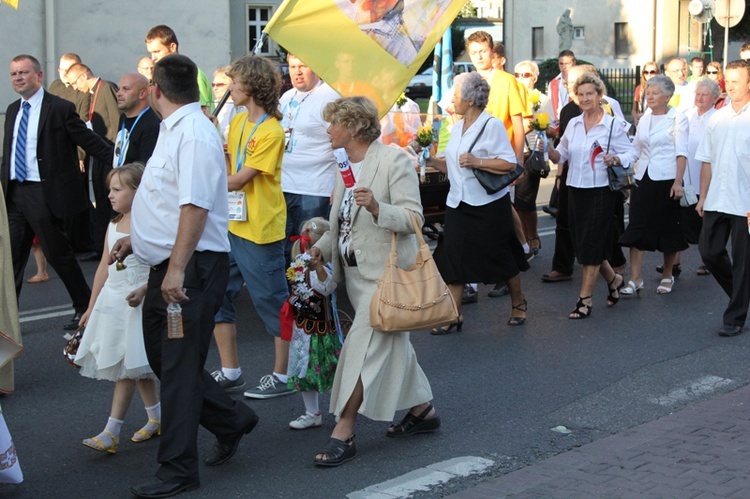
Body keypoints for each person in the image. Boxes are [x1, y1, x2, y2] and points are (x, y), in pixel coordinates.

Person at [111, 54, 259, 498]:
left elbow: (194, 206)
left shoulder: (192, 133)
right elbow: (164, 199)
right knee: (163, 357)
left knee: (176, 369)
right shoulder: (174, 129)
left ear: (155, 90)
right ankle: (232, 419)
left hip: (191, 266)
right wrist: (137, 239)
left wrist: (176, 268)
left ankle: (177, 470)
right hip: (170, 264)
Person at [308, 96, 440, 467]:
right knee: (393, 345)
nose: (328, 130)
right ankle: (422, 410)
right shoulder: (343, 166)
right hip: (355, 276)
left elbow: (414, 218)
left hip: (387, 275)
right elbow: (341, 224)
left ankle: (344, 430)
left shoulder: (392, 159)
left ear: (352, 127)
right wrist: (320, 248)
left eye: (333, 123)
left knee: (363, 349)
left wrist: (378, 207)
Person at [2, 54, 112, 331]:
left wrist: (122, 161)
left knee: (58, 255)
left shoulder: (59, 108)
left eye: (24, 72)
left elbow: (86, 140)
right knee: (11, 260)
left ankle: (84, 306)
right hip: (15, 194)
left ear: (38, 76)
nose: (18, 78)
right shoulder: (13, 109)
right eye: (14, 74)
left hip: (43, 193)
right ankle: (7, 321)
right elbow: (9, 152)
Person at [210, 55, 291, 400]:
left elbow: (241, 178)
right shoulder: (239, 122)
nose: (231, 87)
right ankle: (231, 371)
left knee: (272, 303)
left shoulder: (271, 130)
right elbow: (229, 163)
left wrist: (203, 182)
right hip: (234, 224)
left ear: (253, 86)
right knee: (217, 296)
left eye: (236, 81)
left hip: (260, 228)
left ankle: (284, 376)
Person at [428, 71, 529, 333]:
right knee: (454, 259)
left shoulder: (491, 124)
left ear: (471, 100)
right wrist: (432, 160)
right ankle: (453, 315)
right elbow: (454, 167)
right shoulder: (456, 125)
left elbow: (509, 163)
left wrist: (478, 161)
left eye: (457, 93)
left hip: (488, 205)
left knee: (501, 257)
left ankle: (518, 301)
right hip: (458, 204)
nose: (452, 98)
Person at [74, 163, 160, 455]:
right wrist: (91, 305)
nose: (109, 195)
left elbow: (161, 267)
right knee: (137, 367)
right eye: (110, 189)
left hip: (137, 303)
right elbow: (103, 267)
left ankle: (111, 432)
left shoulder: (148, 227)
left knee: (128, 367)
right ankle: (156, 417)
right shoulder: (113, 224)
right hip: (113, 302)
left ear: (138, 192)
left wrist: (145, 290)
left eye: (117, 189)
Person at [546, 71, 637, 318]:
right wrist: (547, 146)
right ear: (576, 98)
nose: (585, 98)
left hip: (601, 191)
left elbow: (632, 154)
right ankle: (614, 279)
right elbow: (561, 155)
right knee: (581, 242)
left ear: (599, 96)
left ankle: (584, 300)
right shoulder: (574, 124)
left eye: (590, 94)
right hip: (575, 188)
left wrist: (616, 157)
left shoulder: (612, 125)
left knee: (592, 242)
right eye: (581, 94)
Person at [619, 74, 688, 296]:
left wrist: (678, 182)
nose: (649, 96)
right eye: (648, 93)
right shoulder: (646, 117)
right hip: (643, 178)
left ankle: (668, 275)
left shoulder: (678, 118)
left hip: (667, 179)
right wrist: (619, 159)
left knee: (668, 227)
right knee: (637, 226)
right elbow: (636, 148)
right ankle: (635, 278)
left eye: (655, 93)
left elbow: (681, 152)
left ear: (667, 96)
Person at [696, 60, 750, 337]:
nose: (730, 85)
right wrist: (702, 197)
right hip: (717, 198)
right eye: (727, 80)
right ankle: (741, 294)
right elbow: (706, 161)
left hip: (745, 203)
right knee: (709, 251)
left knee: (743, 261)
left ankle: (735, 316)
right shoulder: (716, 117)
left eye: (737, 80)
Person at [279, 54, 340, 262]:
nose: (297, 71)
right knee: (287, 249)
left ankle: (314, 294)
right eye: (292, 66)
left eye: (303, 66)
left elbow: (341, 141)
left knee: (310, 249)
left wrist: (340, 182)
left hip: (315, 187)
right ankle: (291, 294)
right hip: (284, 185)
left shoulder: (329, 97)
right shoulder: (286, 97)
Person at [284, 217, 342, 430]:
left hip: (323, 332)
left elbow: (328, 288)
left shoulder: (327, 269)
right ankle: (312, 412)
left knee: (334, 370)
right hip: (302, 330)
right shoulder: (298, 267)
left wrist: (318, 268)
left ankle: (343, 409)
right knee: (303, 372)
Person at [66, 63, 121, 257]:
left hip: (109, 152)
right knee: (100, 198)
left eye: (74, 82)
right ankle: (99, 246)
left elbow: (115, 121)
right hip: (98, 153)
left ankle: (108, 246)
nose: (74, 87)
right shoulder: (92, 92)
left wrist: (117, 154)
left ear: (84, 75)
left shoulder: (105, 88)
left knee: (111, 201)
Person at [677, 78, 719, 276]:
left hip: (705, 174)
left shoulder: (717, 118)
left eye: (705, 94)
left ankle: (706, 260)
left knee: (704, 220)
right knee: (679, 218)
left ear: (714, 98)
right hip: (685, 174)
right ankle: (675, 262)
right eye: (698, 94)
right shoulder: (688, 115)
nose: (700, 98)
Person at [514, 60, 552, 258]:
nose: (521, 79)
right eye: (517, 75)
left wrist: (535, 124)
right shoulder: (512, 96)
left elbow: (551, 127)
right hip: (513, 151)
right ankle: (523, 240)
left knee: (526, 201)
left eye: (526, 75)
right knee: (515, 202)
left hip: (531, 153)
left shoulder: (542, 99)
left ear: (534, 78)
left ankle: (533, 236)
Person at [144, 25, 213, 112]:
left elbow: (202, 109)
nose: (153, 58)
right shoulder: (164, 75)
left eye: (157, 51)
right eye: (151, 53)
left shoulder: (189, 73)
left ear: (173, 47)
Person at [114, 73, 160, 167]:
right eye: (119, 89)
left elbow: (144, 168)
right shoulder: (124, 117)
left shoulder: (151, 126)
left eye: (126, 89)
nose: (119, 93)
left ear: (142, 94)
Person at [211, 66, 242, 145]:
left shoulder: (238, 107)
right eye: (213, 85)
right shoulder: (211, 105)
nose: (215, 88)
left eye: (220, 85)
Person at [632, 61, 659, 126]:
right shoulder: (639, 88)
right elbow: (634, 109)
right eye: (646, 72)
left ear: (657, 73)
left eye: (652, 72)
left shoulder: (661, 89)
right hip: (641, 123)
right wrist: (636, 118)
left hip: (655, 123)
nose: (649, 75)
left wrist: (645, 115)